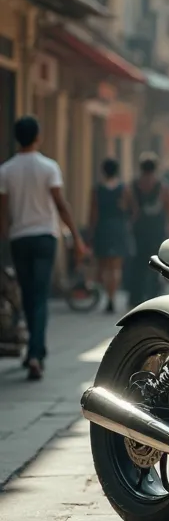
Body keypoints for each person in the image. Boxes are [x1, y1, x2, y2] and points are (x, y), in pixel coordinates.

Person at [0, 116, 87, 380]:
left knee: (27, 295)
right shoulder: (49, 167)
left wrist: (7, 238)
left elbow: (2, 212)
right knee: (39, 297)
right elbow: (60, 204)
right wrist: (77, 238)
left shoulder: (6, 170)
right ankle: (36, 353)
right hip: (45, 239)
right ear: (37, 136)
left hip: (20, 239)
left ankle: (33, 351)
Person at [129, 153, 169, 308]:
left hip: (138, 230)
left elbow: (129, 208)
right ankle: (153, 297)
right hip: (157, 231)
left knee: (138, 264)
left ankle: (135, 297)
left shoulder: (134, 186)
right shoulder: (163, 187)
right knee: (156, 264)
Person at [89, 158, 134, 314]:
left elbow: (93, 213)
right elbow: (133, 209)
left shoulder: (97, 189)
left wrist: (91, 231)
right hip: (118, 228)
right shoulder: (123, 189)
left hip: (103, 228)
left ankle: (106, 294)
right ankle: (111, 297)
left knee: (103, 265)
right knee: (116, 267)